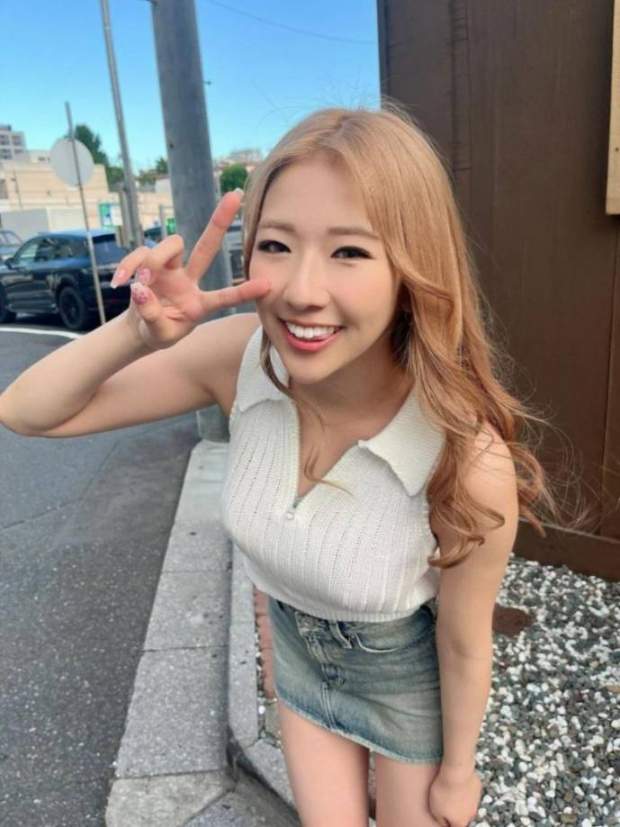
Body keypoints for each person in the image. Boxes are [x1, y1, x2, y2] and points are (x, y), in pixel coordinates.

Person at [0, 101, 590, 827]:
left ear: (414, 268)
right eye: (276, 244)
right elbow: (27, 410)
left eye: (350, 252)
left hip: (406, 687)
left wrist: (459, 772)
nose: (303, 291)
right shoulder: (240, 359)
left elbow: (466, 643)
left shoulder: (464, 456)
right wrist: (136, 331)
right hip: (301, 670)